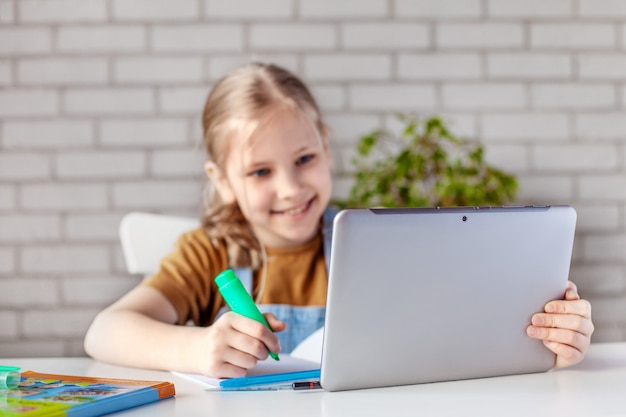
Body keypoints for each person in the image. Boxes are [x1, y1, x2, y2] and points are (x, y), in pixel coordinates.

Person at [84, 62, 594, 378]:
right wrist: (197, 347)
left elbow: (445, 337)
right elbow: (104, 332)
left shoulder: (371, 243)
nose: (290, 188)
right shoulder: (209, 253)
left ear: (326, 147)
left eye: (304, 159)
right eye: (260, 171)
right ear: (222, 180)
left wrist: (550, 345)